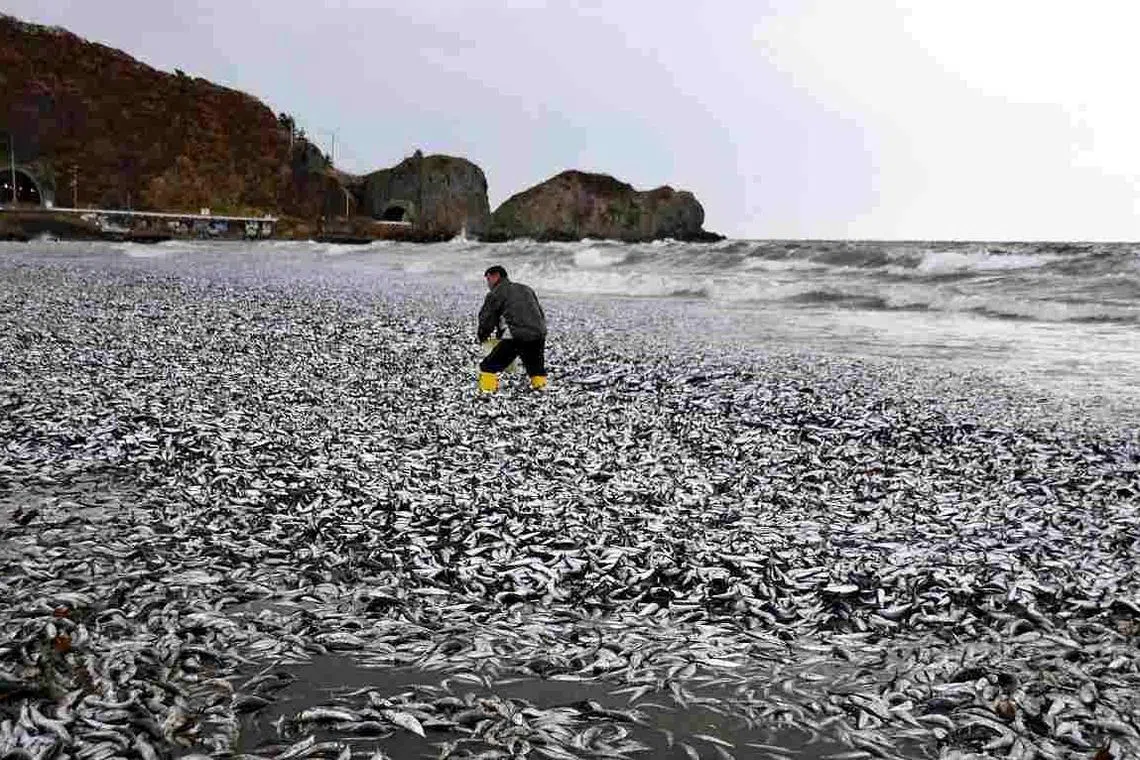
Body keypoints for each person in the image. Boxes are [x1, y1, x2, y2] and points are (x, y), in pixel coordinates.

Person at [477, 265, 548, 392]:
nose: (488, 284)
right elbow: (539, 312)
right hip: (539, 333)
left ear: (496, 276)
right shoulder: (526, 288)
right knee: (535, 367)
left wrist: (482, 336)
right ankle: (541, 389)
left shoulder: (496, 293)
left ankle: (486, 392)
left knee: (488, 366)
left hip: (516, 336)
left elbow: (487, 318)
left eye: (488, 279)